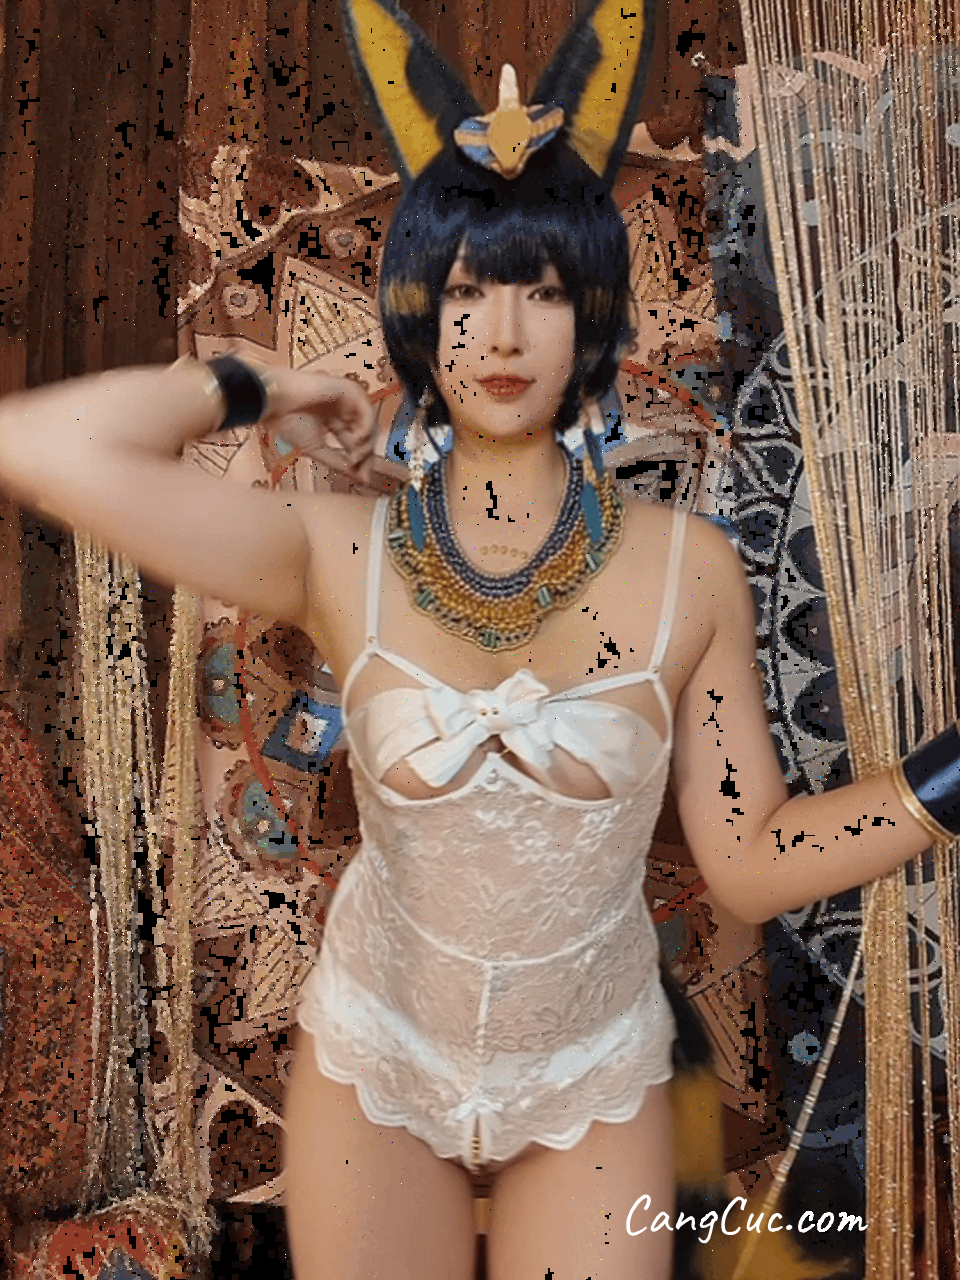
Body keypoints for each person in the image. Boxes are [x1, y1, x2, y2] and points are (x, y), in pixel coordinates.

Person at [0, 2, 953, 1278]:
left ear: (591, 314)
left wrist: (949, 776)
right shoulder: (333, 551)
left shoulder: (692, 572)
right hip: (376, 1063)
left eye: (542, 291)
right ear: (418, 314)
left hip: (595, 1076)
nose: (500, 334)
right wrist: (260, 384)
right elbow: (39, 448)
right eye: (464, 290)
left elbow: (753, 862)